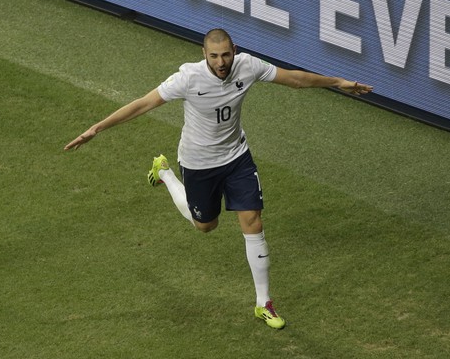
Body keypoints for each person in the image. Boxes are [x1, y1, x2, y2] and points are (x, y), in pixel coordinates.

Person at [65, 28, 373, 329]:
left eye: (225, 54)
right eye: (214, 56)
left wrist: (338, 82)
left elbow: (293, 79)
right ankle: (165, 173)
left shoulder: (248, 66)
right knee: (205, 226)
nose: (221, 62)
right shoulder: (187, 78)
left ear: (234, 50)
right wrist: (97, 128)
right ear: (204, 55)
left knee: (253, 221)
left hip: (237, 158)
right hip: (198, 165)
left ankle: (263, 303)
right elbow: (144, 104)